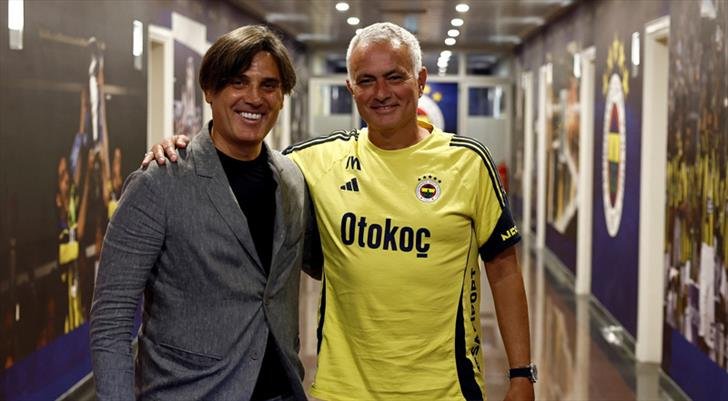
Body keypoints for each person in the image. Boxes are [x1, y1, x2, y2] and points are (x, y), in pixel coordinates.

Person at [145, 22, 534, 401]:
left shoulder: (467, 162)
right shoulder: (314, 162)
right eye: (366, 81)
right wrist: (184, 150)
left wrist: (521, 374)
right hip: (342, 388)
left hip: (446, 389)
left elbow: (504, 271)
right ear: (351, 88)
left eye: (394, 77)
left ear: (420, 80)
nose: (381, 93)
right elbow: (240, 158)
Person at [91, 25, 311, 401]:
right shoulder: (160, 181)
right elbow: (112, 316)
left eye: (269, 86)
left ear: (282, 97)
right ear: (209, 90)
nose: (254, 98)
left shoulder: (291, 178)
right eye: (238, 82)